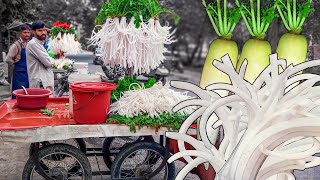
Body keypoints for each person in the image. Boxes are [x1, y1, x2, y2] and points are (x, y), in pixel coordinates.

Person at [26, 21, 54, 92]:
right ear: (33, 32)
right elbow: (48, 63)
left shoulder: (40, 43)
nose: (43, 33)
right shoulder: (33, 44)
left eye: (44, 30)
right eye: (40, 31)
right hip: (40, 83)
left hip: (44, 81)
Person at [5, 24, 31, 98]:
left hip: (28, 73)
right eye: (25, 32)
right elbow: (7, 59)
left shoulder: (30, 44)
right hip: (19, 74)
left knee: (28, 93)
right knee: (18, 93)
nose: (27, 34)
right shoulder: (16, 45)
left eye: (28, 32)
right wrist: (15, 62)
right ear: (20, 33)